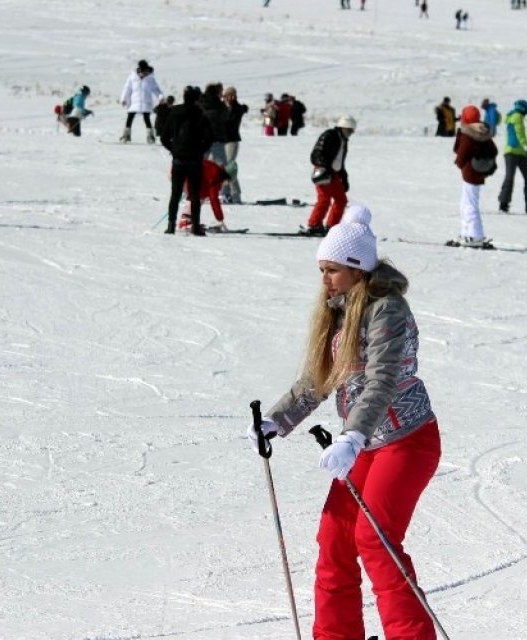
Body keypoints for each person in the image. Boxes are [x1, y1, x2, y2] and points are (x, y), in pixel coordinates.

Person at [251, 203, 442, 640]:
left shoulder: (386, 311)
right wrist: (276, 422)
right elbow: (318, 379)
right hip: (365, 446)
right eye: (322, 269)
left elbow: (382, 380)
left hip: (406, 441)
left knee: (375, 540)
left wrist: (353, 435)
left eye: (332, 270)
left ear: (357, 269)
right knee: (335, 539)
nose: (324, 279)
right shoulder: (339, 310)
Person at [160, 85, 214, 236]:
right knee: (195, 195)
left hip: (178, 160)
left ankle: (171, 226)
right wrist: (200, 151)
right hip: (195, 161)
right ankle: (195, 226)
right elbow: (209, 139)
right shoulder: (200, 115)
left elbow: (164, 138)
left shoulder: (174, 113)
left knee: (175, 194)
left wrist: (174, 149)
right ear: (197, 99)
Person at [450, 105, 499, 249]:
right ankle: (467, 233)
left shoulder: (467, 133)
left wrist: (460, 163)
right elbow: (494, 150)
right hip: (478, 172)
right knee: (468, 202)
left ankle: (474, 235)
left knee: (469, 204)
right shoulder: (482, 131)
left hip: (470, 173)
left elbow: (460, 154)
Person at [305, 115, 357, 236]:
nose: (350, 133)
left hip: (334, 174)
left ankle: (332, 227)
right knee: (324, 200)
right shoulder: (329, 135)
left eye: (352, 131)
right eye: (349, 130)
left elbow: (339, 161)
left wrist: (344, 177)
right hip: (323, 172)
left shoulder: (343, 140)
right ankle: (314, 225)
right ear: (342, 127)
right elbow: (316, 153)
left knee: (341, 200)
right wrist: (325, 167)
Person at [497, 99, 527, 213]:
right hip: (513, 152)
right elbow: (519, 133)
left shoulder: (515, 116)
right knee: (516, 178)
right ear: (523, 108)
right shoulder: (517, 116)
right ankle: (506, 205)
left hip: (518, 152)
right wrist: (526, 146)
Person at [179, 159, 233, 232]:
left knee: (201, 194)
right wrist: (220, 219)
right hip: (183, 174)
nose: (228, 184)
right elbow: (214, 199)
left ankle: (189, 220)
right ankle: (184, 222)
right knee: (197, 196)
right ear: (227, 176)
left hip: (183, 171)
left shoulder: (215, 170)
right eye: (229, 181)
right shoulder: (216, 176)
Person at [119, 59, 163, 143]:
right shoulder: (133, 77)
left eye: (146, 71)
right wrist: (123, 98)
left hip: (146, 101)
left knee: (146, 118)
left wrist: (160, 97)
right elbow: (127, 88)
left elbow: (156, 89)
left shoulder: (150, 78)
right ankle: (126, 135)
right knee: (130, 117)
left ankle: (150, 136)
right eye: (143, 71)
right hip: (134, 101)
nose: (144, 73)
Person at [221, 86, 248, 204]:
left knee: (229, 167)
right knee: (222, 167)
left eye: (229, 95)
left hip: (232, 140)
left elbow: (231, 120)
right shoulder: (222, 107)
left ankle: (235, 194)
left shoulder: (237, 108)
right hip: (221, 140)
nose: (227, 98)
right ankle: (225, 192)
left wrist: (232, 105)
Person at [199, 82, 229, 167]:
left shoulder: (199, 103)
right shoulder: (220, 104)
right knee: (221, 165)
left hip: (202, 139)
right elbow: (226, 117)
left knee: (199, 164)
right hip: (217, 138)